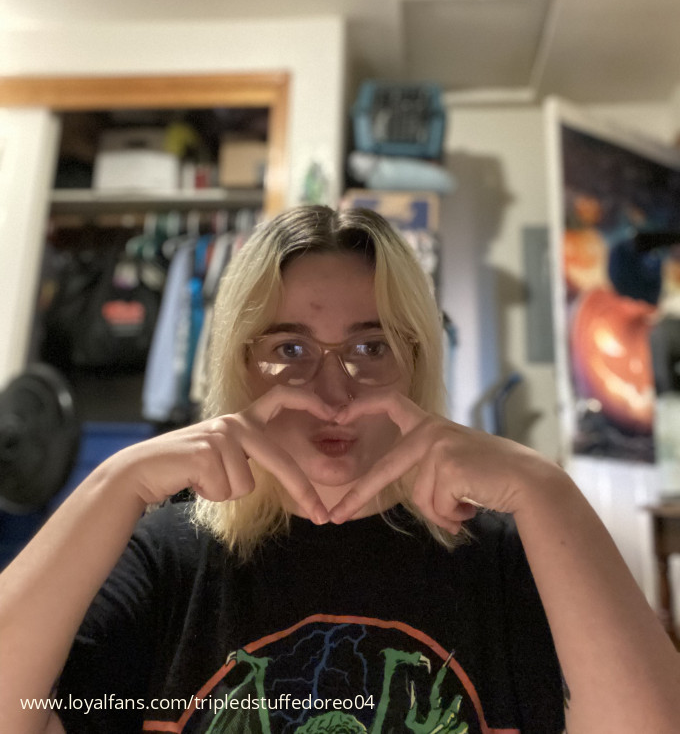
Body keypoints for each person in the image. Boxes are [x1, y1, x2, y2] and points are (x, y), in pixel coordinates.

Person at [1, 204, 679, 734]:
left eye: (371, 347)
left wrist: (546, 488)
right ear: (240, 363)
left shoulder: (508, 558)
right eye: (290, 349)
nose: (333, 395)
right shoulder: (165, 558)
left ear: (416, 360)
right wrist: (115, 481)